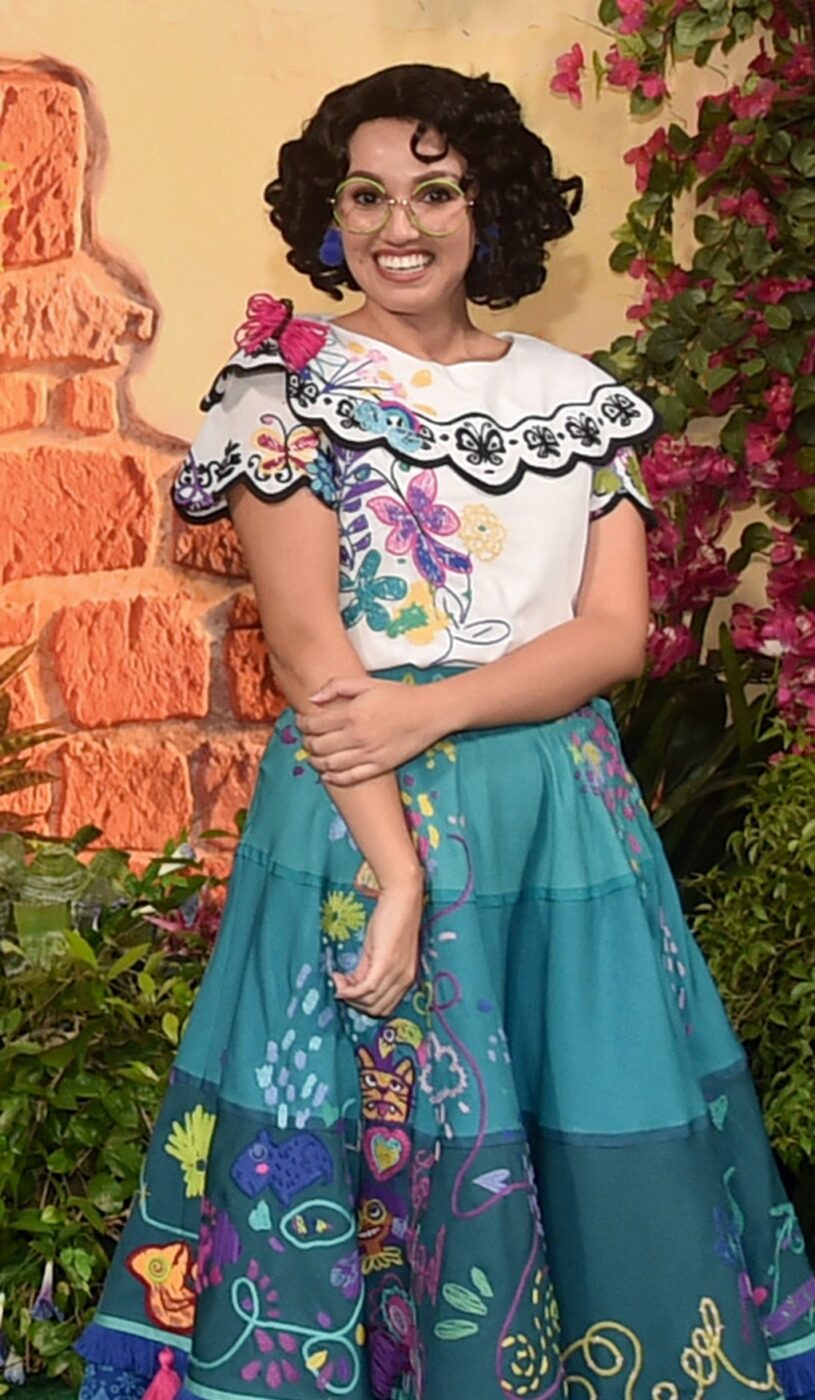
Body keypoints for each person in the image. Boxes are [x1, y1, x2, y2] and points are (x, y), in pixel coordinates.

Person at [76, 63, 815, 1400]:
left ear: (492, 207)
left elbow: (615, 635)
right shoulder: (282, 388)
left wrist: (438, 704)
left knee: (591, 1124)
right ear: (328, 213)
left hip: (564, 825)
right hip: (363, 815)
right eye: (364, 195)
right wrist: (400, 873)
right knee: (377, 1144)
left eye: (435, 191)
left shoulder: (579, 394)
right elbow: (311, 654)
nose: (397, 225)